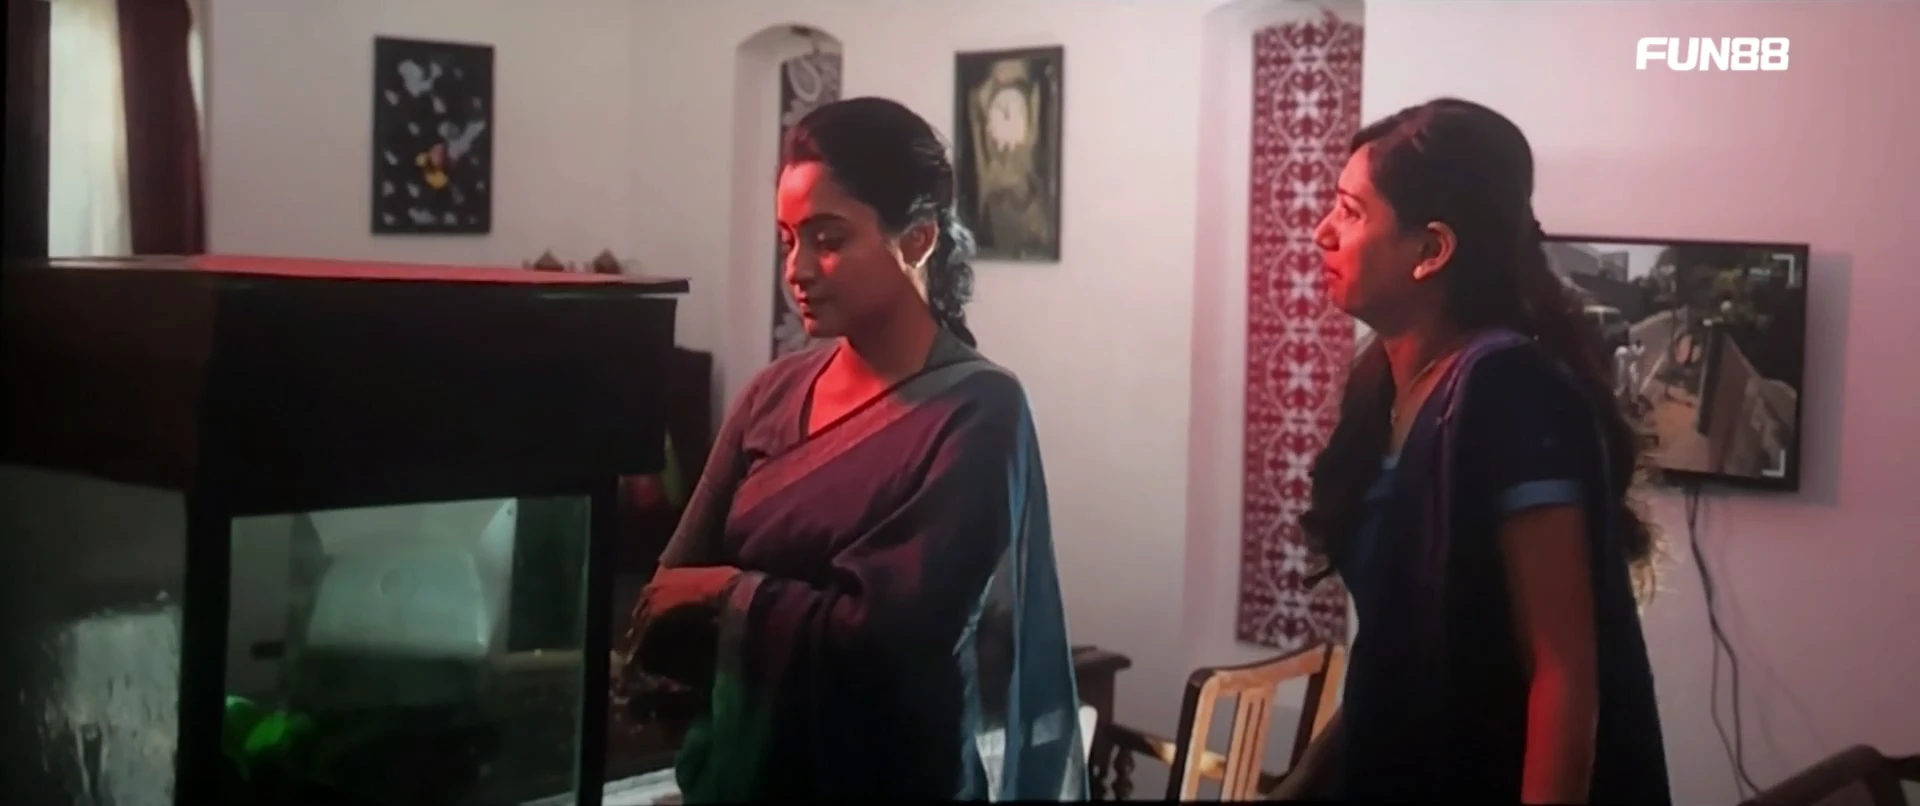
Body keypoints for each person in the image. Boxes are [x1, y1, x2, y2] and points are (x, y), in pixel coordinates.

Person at [619, 96, 1087, 802]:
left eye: (828, 239)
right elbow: (665, 600)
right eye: (788, 240)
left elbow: (896, 642)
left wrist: (727, 592)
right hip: (743, 776)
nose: (797, 269)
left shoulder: (980, 411)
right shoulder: (771, 395)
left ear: (918, 239)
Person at [1297, 98, 1671, 804]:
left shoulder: (1507, 388)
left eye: (1350, 211)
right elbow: (1405, 658)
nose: (1322, 232)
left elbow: (1562, 675)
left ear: (1432, 251)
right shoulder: (1381, 384)